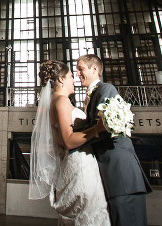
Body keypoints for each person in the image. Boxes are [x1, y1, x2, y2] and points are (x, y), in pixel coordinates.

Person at [30, 60, 111, 226]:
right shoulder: (61, 101)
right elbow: (67, 140)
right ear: (61, 79)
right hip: (79, 165)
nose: (74, 79)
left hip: (74, 163)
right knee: (90, 214)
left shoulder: (56, 101)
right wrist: (96, 129)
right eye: (71, 76)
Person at [76, 54, 152, 226]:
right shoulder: (92, 95)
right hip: (110, 173)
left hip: (120, 173)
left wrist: (72, 142)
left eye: (80, 69)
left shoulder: (106, 89)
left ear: (94, 69)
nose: (77, 74)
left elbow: (104, 129)